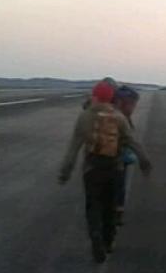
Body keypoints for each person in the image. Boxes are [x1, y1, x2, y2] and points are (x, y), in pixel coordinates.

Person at [59, 81, 152, 263]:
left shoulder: (85, 116)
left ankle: (95, 235)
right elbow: (132, 142)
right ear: (111, 97)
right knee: (110, 206)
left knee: (93, 206)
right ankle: (108, 242)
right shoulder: (119, 117)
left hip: (92, 169)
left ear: (94, 96)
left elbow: (73, 147)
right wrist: (144, 161)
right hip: (114, 168)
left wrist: (65, 171)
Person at [112, 85, 141, 226]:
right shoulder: (121, 117)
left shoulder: (108, 112)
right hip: (118, 159)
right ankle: (118, 211)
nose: (134, 108)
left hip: (102, 158)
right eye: (133, 104)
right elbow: (129, 141)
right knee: (120, 184)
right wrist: (142, 157)